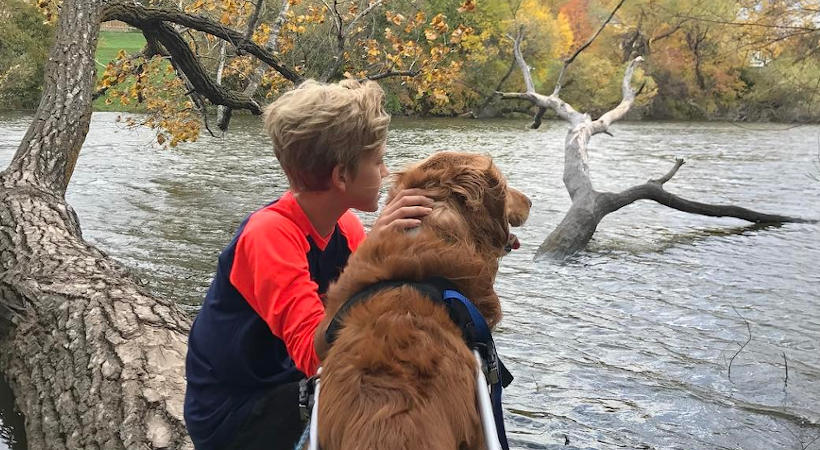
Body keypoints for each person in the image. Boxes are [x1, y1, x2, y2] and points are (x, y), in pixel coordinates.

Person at [183, 79, 432, 450]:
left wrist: (457, 238)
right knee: (376, 402)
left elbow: (376, 306)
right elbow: (315, 355)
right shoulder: (269, 235)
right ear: (341, 176)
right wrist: (373, 255)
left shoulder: (344, 226)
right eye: (378, 161)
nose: (385, 173)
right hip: (234, 412)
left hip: (282, 385)